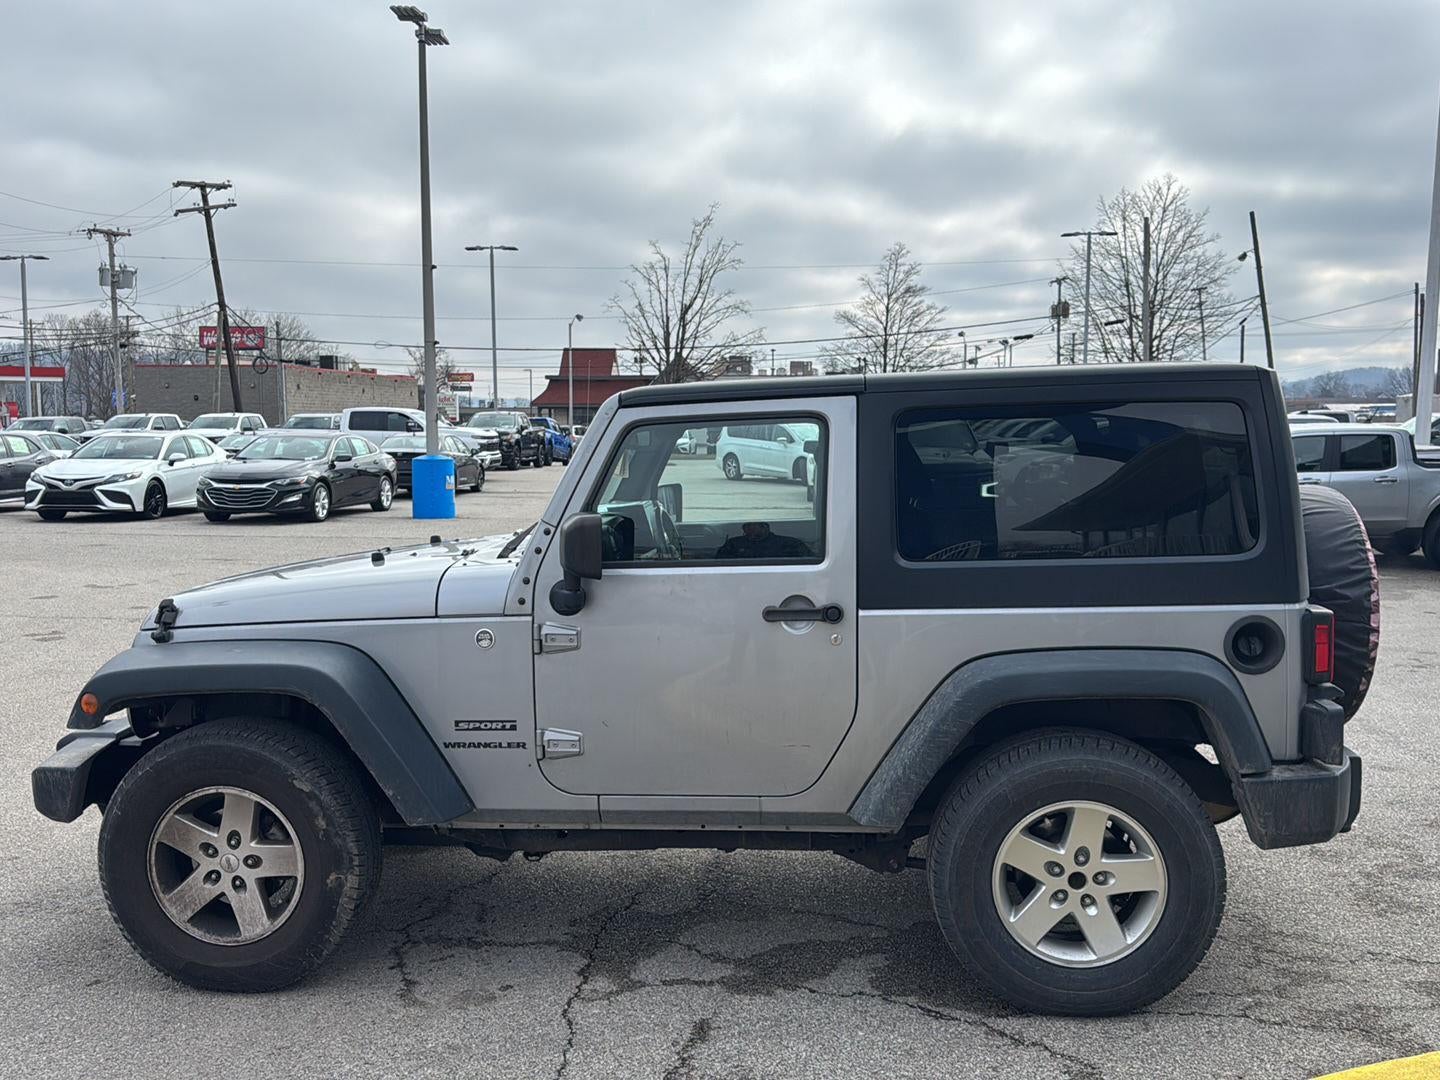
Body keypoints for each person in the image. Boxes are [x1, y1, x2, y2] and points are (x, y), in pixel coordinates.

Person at [715, 521, 811, 560]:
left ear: (765, 527)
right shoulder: (733, 544)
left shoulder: (790, 544)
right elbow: (719, 565)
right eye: (747, 526)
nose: (750, 529)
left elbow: (808, 563)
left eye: (753, 525)